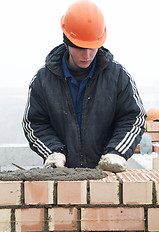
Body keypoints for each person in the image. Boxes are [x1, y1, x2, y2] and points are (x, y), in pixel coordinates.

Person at [22, 0, 146, 172]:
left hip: (105, 175)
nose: (87, 55)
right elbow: (34, 123)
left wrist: (116, 152)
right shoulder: (43, 80)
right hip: (63, 176)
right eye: (80, 47)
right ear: (66, 41)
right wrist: (53, 152)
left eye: (93, 47)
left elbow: (134, 118)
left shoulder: (118, 76)